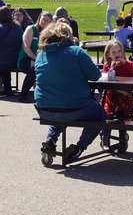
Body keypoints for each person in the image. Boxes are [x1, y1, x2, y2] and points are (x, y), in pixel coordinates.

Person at [34, 20, 106, 164]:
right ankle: (79, 147)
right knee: (100, 115)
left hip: (44, 108)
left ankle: (50, 140)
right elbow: (95, 75)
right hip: (74, 108)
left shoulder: (41, 55)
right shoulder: (76, 52)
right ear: (68, 36)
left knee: (58, 109)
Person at [99, 39, 133, 120]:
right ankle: (105, 130)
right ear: (108, 54)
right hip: (110, 95)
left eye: (119, 51)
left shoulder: (128, 63)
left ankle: (122, 131)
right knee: (104, 110)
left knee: (121, 112)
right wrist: (111, 69)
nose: (117, 54)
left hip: (125, 95)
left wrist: (125, 63)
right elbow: (107, 80)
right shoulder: (107, 65)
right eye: (113, 52)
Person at [19, 11, 53, 103]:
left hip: (42, 59)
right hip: (26, 58)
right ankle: (23, 95)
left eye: (47, 21)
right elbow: (26, 48)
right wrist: (37, 59)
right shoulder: (31, 29)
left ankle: (49, 95)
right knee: (34, 69)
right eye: (42, 19)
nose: (44, 22)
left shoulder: (50, 33)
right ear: (39, 19)